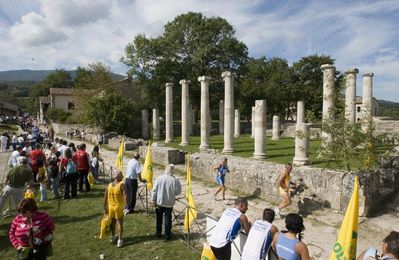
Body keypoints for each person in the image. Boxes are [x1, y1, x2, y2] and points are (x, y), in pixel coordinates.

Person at [152, 164, 181, 240]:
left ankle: (158, 233)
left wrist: (153, 200)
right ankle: (167, 235)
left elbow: (154, 190)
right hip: (169, 202)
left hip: (160, 201)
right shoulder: (174, 180)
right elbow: (178, 192)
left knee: (159, 219)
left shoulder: (159, 178)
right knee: (168, 219)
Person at [103, 171, 128, 248]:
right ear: (118, 177)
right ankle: (120, 240)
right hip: (118, 206)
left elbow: (105, 196)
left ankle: (113, 236)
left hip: (111, 207)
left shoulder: (109, 185)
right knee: (120, 224)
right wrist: (126, 205)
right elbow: (125, 195)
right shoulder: (122, 185)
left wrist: (104, 207)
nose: (123, 177)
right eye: (121, 176)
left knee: (112, 222)